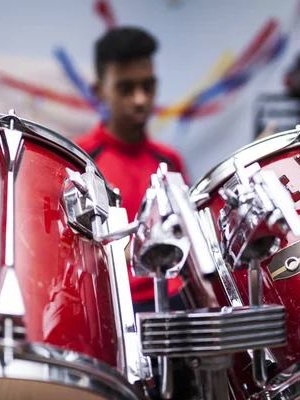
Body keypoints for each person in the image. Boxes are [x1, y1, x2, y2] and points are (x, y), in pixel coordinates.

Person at [75, 27, 187, 313]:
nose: (140, 99)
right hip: (113, 307)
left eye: (147, 87)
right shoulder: (80, 162)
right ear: (99, 91)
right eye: (126, 89)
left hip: (176, 302)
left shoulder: (170, 161)